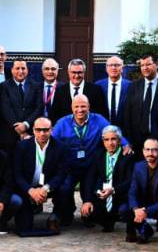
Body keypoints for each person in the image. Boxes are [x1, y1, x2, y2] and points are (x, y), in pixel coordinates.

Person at [51, 95, 124, 228]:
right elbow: (52, 142)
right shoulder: (62, 123)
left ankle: (88, 214)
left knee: (90, 191)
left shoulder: (99, 120)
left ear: (89, 107)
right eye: (76, 106)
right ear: (71, 108)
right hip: (70, 166)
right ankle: (67, 212)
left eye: (83, 106)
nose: (80, 109)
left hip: (91, 165)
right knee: (64, 188)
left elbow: (112, 131)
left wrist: (125, 145)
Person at [121, 138, 158, 247]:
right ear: (143, 151)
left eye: (154, 150)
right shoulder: (138, 167)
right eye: (147, 150)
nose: (150, 153)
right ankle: (144, 231)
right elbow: (132, 192)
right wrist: (135, 209)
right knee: (124, 209)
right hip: (143, 205)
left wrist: (146, 211)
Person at [13, 117, 66, 232]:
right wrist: (31, 191)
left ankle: (55, 217)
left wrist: (45, 189)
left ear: (51, 130)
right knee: (24, 228)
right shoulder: (22, 146)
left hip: (48, 185)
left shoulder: (60, 147)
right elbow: (17, 174)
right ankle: (29, 208)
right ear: (33, 130)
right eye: (38, 130)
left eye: (46, 130)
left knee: (65, 188)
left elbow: (60, 174)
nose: (42, 133)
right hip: (27, 187)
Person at [81, 125, 136, 233]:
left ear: (119, 140)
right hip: (103, 195)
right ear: (103, 141)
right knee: (88, 214)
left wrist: (113, 190)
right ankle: (107, 222)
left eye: (113, 139)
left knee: (123, 210)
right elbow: (90, 178)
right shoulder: (98, 155)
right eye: (106, 139)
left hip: (120, 196)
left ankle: (127, 225)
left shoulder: (128, 156)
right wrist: (88, 200)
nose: (110, 143)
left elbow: (130, 181)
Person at [123, 53, 158, 153]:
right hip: (137, 141)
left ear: (156, 64)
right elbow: (127, 114)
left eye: (148, 64)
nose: (145, 68)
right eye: (142, 65)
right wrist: (128, 140)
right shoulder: (134, 86)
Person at [0, 59, 41, 155]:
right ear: (12, 70)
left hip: (30, 134)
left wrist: (26, 124)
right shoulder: (3, 86)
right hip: (9, 135)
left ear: (27, 70)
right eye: (17, 68)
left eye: (23, 68)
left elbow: (38, 108)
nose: (20, 71)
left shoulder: (36, 86)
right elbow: (5, 109)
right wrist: (19, 129)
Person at [95, 55, 130, 129]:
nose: (113, 68)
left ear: (122, 68)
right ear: (106, 68)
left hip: (125, 130)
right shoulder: (98, 86)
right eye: (110, 65)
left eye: (117, 65)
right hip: (103, 128)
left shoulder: (131, 86)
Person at [39, 58, 65, 123]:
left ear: (57, 71)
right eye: (47, 69)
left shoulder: (64, 88)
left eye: (53, 69)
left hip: (57, 126)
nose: (50, 71)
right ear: (42, 71)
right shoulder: (35, 88)